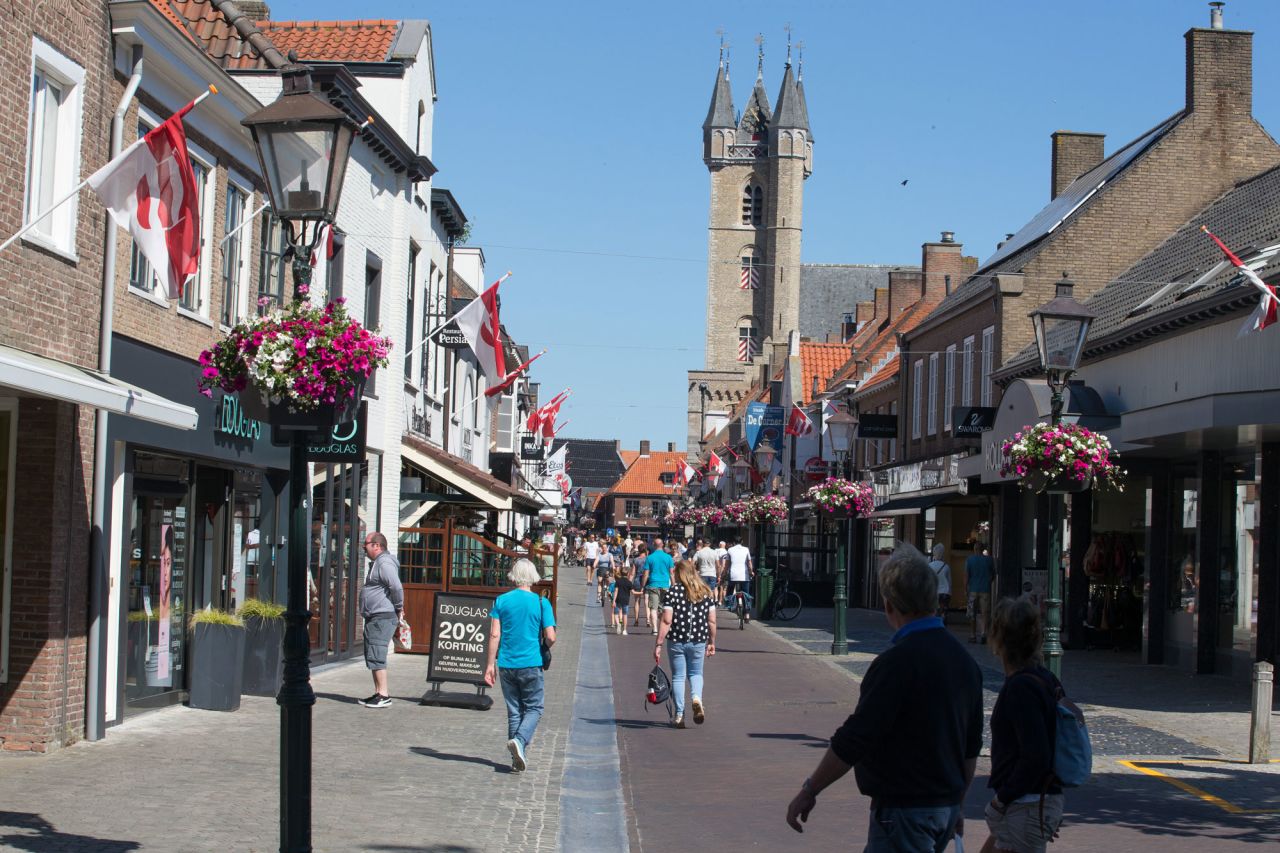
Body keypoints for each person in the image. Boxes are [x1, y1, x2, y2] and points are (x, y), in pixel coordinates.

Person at [785, 544, 983, 850]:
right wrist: (957, 801)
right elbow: (971, 746)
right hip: (943, 807)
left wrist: (811, 789)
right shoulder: (965, 662)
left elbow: (856, 736)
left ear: (890, 606)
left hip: (903, 809)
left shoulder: (896, 664)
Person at [981, 598, 1066, 853]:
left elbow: (1036, 754)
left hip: (1024, 804)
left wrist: (1001, 799)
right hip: (1031, 803)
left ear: (999, 638)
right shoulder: (1044, 678)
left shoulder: (1021, 687)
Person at [484, 559, 556, 772]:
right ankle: (521, 741)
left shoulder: (502, 601)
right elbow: (551, 637)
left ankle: (516, 759)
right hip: (531, 662)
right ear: (533, 576)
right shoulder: (541, 603)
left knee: (514, 710)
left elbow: (494, 634)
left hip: (506, 662)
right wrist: (544, 643)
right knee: (534, 707)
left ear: (514, 576)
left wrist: (490, 664)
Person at [654, 559, 717, 728]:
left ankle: (679, 714)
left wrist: (658, 643)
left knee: (678, 676)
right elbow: (711, 621)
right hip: (698, 639)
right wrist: (712, 641)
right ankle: (697, 698)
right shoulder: (706, 592)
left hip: (677, 639)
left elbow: (667, 620)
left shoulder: (673, 593)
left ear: (679, 574)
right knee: (696, 673)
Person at [358, 532, 404, 708]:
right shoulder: (378, 563)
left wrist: (399, 607)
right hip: (375, 616)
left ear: (377, 545)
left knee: (377, 653)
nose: (364, 548)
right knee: (372, 653)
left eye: (366, 545)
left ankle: (384, 695)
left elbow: (396, 587)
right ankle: (378, 692)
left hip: (382, 617)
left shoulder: (384, 563)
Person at [644, 537, 675, 636]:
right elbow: (671, 573)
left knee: (653, 608)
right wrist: (674, 585)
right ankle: (662, 628)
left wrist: (643, 584)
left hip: (653, 584)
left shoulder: (649, 557)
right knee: (663, 607)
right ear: (662, 545)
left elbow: (646, 573)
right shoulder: (668, 557)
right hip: (665, 585)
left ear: (654, 545)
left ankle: (655, 629)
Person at [965, 544, 995, 644]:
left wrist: (966, 589)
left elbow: (967, 576)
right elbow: (993, 575)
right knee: (984, 613)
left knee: (972, 613)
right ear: (983, 550)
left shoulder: (969, 560)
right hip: (985, 590)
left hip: (973, 590)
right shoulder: (989, 560)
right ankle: (984, 634)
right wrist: (987, 582)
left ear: (974, 549)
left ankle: (973, 635)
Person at [724, 537, 754, 619]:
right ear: (742, 541)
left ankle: (729, 605)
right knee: (746, 594)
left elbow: (727, 565)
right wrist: (751, 572)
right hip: (744, 575)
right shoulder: (746, 549)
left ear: (733, 542)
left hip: (733, 575)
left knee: (729, 590)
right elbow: (749, 563)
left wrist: (723, 574)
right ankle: (747, 614)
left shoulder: (730, 550)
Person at [929, 544, 952, 622]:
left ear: (934, 553)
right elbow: (949, 582)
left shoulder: (929, 566)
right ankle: (942, 627)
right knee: (943, 613)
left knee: (933, 612)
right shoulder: (946, 566)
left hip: (934, 592)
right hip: (945, 593)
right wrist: (950, 593)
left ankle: (934, 627)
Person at [631, 543, 650, 628]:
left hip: (637, 580)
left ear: (638, 550)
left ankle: (636, 620)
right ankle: (648, 620)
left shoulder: (636, 560)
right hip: (647, 580)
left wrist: (629, 583)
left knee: (637, 601)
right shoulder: (648, 559)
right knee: (647, 601)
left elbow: (632, 573)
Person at [612, 566, 636, 635]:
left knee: (616, 614)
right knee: (625, 615)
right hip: (626, 600)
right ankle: (624, 630)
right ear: (628, 574)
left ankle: (618, 623)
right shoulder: (629, 582)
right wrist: (641, 592)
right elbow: (633, 592)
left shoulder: (618, 581)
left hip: (618, 599)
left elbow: (616, 591)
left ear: (621, 573)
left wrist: (614, 600)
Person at [714, 540, 729, 605]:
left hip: (715, 570)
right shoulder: (726, 552)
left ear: (719, 545)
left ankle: (716, 599)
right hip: (723, 570)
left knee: (716, 586)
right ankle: (722, 601)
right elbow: (724, 564)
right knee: (723, 587)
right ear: (724, 545)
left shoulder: (715, 551)